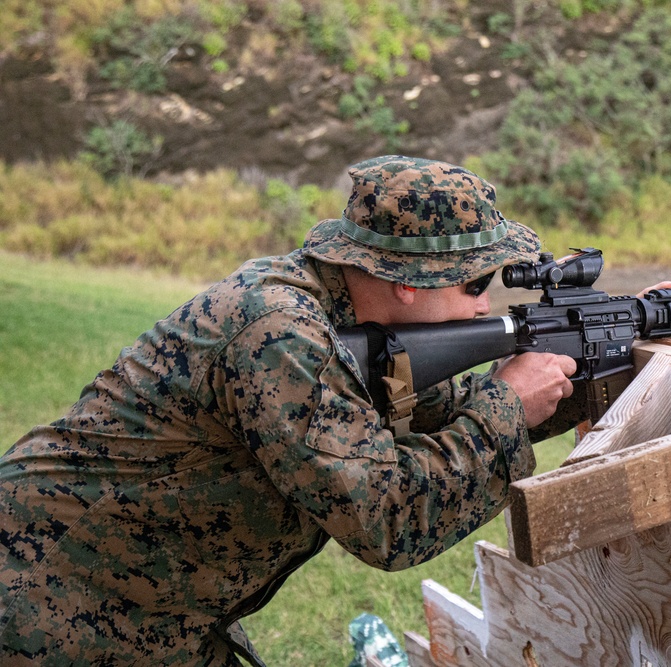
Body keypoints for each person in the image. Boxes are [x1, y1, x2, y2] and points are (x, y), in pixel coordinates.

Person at [0, 155, 583, 666]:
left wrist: (601, 364)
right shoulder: (279, 333)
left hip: (143, 606)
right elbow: (386, 518)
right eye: (477, 281)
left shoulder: (345, 316)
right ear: (411, 279)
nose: (485, 303)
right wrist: (506, 406)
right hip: (52, 598)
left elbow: (440, 409)